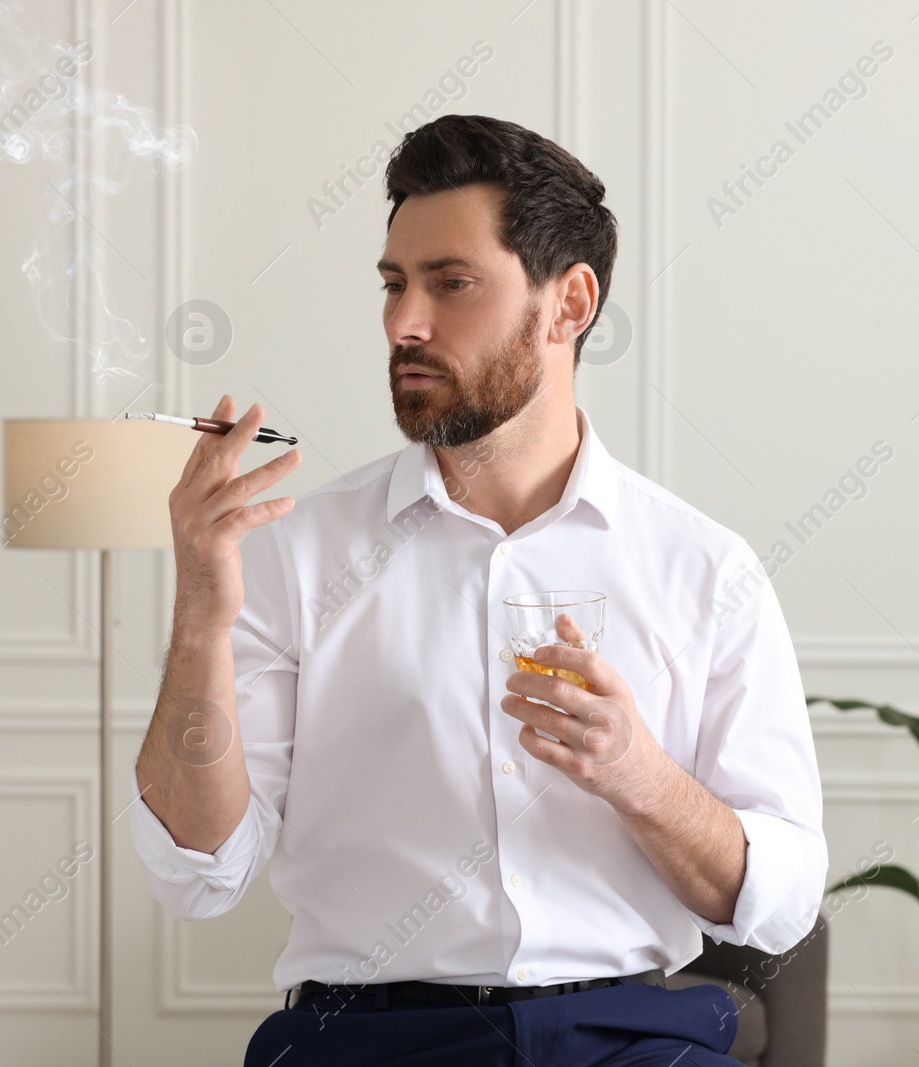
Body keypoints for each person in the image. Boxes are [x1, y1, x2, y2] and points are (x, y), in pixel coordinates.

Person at [129, 114, 827, 1066]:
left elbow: (782, 904)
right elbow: (197, 870)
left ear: (568, 303)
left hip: (629, 1040)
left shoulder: (705, 569)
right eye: (392, 284)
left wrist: (642, 777)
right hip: (368, 1041)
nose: (403, 322)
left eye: (450, 283)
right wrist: (202, 617)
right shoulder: (294, 552)